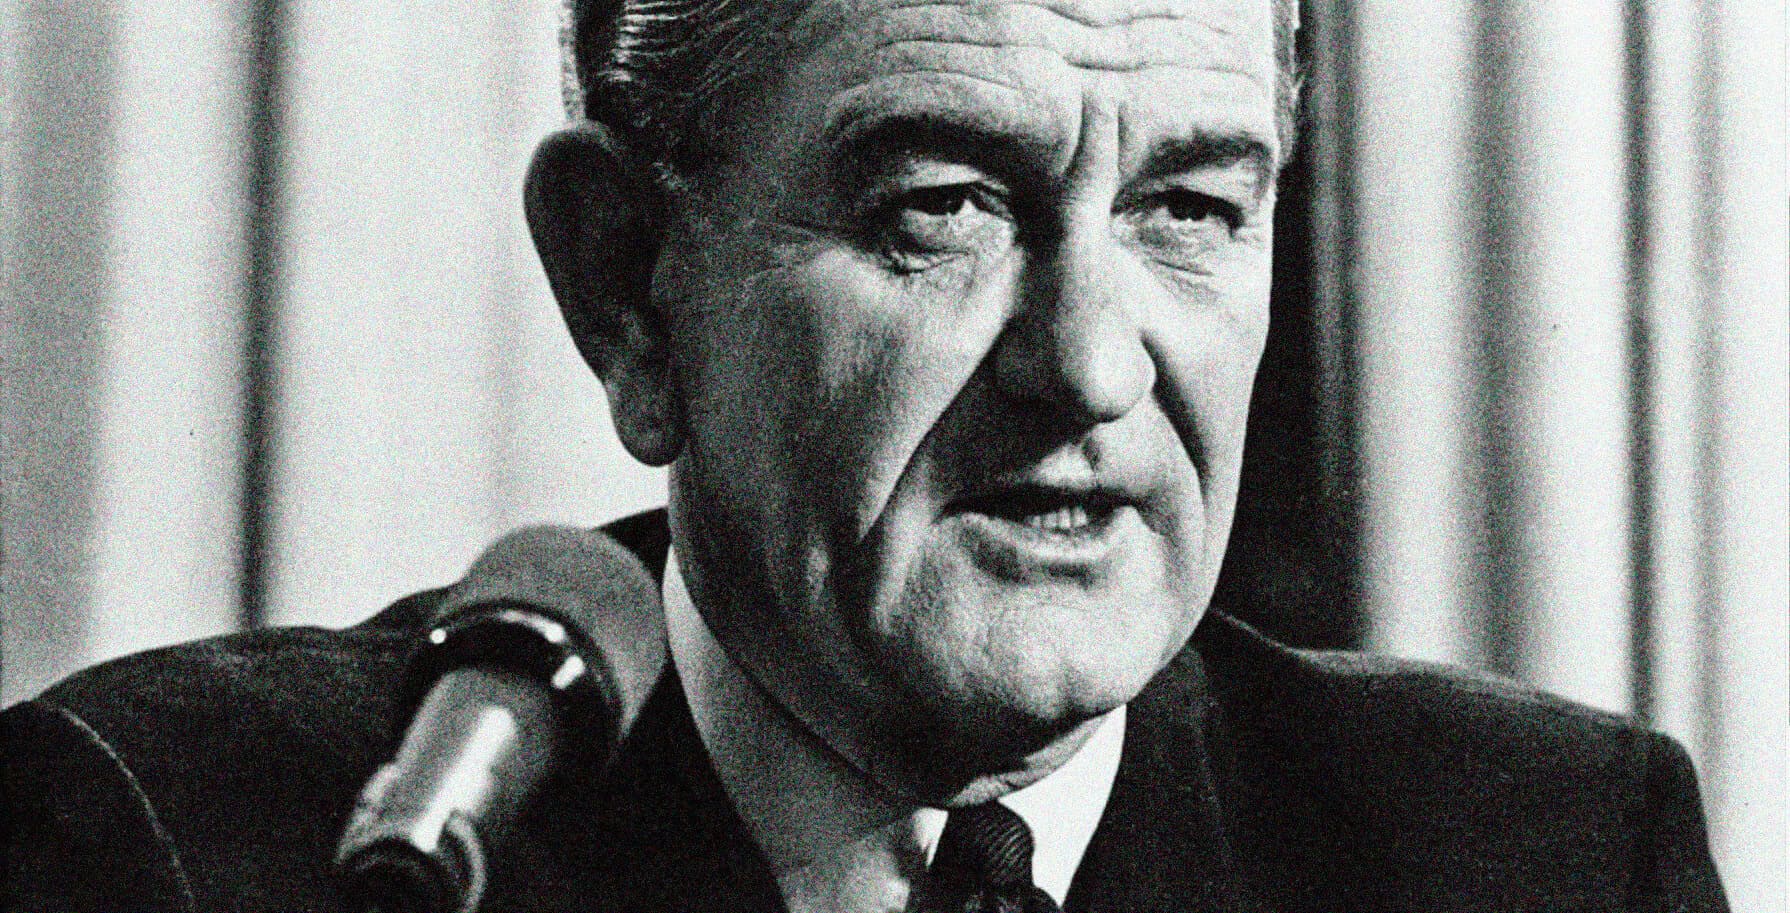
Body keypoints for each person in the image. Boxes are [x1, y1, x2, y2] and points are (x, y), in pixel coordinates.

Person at [2, 0, 1730, 909]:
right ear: (630, 292)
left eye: (1190, 207)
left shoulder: (1546, 853)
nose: (1089, 364)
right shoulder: (168, 844)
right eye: (943, 210)